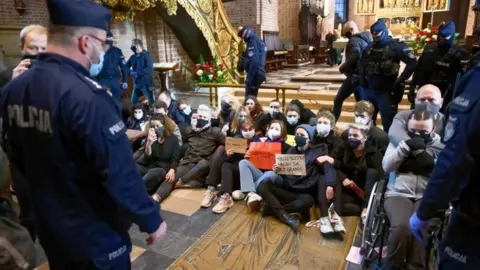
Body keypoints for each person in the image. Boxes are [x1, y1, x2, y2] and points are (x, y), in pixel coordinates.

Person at [0, 0, 166, 269]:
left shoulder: (16, 88)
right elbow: (117, 170)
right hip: (95, 235)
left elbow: (15, 153)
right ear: (85, 43)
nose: (102, 52)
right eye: (101, 43)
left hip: (52, 229)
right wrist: (151, 219)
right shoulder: (88, 97)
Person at [409, 64, 480, 269]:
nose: (426, 104)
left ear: (441, 101)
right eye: (422, 99)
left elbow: (454, 160)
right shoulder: (402, 120)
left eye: (432, 100)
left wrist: (425, 211)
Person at [383, 109, 444, 269]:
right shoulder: (398, 141)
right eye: (413, 131)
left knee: (419, 229)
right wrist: (405, 148)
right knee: (401, 228)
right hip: (398, 193)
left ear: (432, 129)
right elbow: (387, 166)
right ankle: (392, 266)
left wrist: (422, 158)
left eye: (423, 131)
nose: (417, 134)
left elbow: (443, 172)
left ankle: (415, 266)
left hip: (426, 196)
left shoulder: (440, 146)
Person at [256, 125, 322, 233]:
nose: (298, 137)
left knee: (308, 200)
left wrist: (300, 177)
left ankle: (274, 210)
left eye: (302, 135)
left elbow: (313, 181)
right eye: (297, 134)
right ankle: (286, 217)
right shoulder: (291, 150)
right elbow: (283, 175)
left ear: (309, 138)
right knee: (263, 185)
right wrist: (277, 170)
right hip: (286, 189)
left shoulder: (315, 154)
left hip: (301, 193)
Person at [155, 104, 225, 201]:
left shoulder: (215, 132)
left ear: (209, 119)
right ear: (196, 116)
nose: (202, 119)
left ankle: (182, 182)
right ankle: (156, 197)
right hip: (188, 162)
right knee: (171, 177)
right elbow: (178, 144)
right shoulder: (189, 130)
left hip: (203, 165)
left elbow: (227, 144)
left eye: (204, 117)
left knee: (204, 164)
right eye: (200, 116)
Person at [360, 19, 417, 132]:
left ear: (384, 31)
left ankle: (387, 148)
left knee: (389, 124)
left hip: (387, 91)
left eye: (378, 34)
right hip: (370, 90)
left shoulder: (396, 46)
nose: (375, 36)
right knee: (365, 123)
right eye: (373, 34)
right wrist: (362, 78)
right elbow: (362, 63)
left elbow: (413, 63)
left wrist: (400, 80)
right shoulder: (369, 47)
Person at [409, 21, 469, 113]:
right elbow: (419, 69)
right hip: (424, 90)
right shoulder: (429, 48)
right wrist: (412, 87)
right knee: (416, 117)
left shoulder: (460, 53)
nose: (441, 39)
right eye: (439, 36)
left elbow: (463, 77)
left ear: (451, 36)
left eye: (444, 37)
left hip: (444, 94)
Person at [211, 118, 261, 213]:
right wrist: (227, 155)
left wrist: (249, 159)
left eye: (250, 129)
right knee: (226, 165)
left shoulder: (259, 142)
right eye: (245, 130)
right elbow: (225, 160)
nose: (248, 132)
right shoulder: (236, 140)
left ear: (254, 129)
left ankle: (245, 192)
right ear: (241, 130)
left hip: (250, 176)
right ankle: (226, 197)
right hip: (237, 174)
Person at [336, 124, 383, 224]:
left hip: (366, 191)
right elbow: (335, 165)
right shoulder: (343, 147)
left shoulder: (374, 153)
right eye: (350, 135)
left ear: (365, 138)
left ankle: (366, 208)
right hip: (348, 188)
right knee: (336, 204)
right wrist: (343, 178)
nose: (351, 138)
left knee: (372, 172)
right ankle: (365, 210)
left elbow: (380, 176)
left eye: (355, 136)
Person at [136, 115, 180, 203]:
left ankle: (136, 190)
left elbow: (175, 158)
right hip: (151, 165)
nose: (155, 128)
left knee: (156, 172)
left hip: (162, 168)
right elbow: (147, 158)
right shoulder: (151, 137)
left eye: (158, 126)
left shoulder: (173, 139)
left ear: (164, 126)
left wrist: (172, 170)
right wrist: (148, 144)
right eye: (153, 126)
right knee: (135, 167)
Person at [334, 21, 371, 121]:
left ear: (351, 30)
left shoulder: (354, 40)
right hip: (362, 76)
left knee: (338, 100)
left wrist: (343, 68)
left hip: (354, 77)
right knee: (361, 105)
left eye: (346, 32)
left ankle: (331, 125)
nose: (346, 35)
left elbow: (355, 55)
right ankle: (364, 125)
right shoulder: (364, 39)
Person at [96, 30, 129, 100]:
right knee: (103, 100)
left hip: (114, 80)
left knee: (116, 100)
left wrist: (125, 80)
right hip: (102, 79)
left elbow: (123, 66)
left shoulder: (117, 51)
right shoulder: (99, 51)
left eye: (110, 38)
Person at [237, 25, 267, 98]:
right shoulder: (257, 39)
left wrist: (249, 78)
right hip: (259, 72)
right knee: (253, 98)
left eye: (242, 36)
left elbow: (254, 61)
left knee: (249, 99)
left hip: (254, 73)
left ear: (245, 33)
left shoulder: (252, 40)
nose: (243, 38)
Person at [127, 38, 154, 105]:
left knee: (150, 102)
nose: (132, 47)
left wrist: (137, 73)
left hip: (146, 83)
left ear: (138, 45)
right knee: (133, 102)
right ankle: (137, 114)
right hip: (136, 84)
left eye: (133, 45)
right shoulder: (133, 57)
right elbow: (125, 67)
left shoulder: (146, 56)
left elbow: (149, 69)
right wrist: (130, 72)